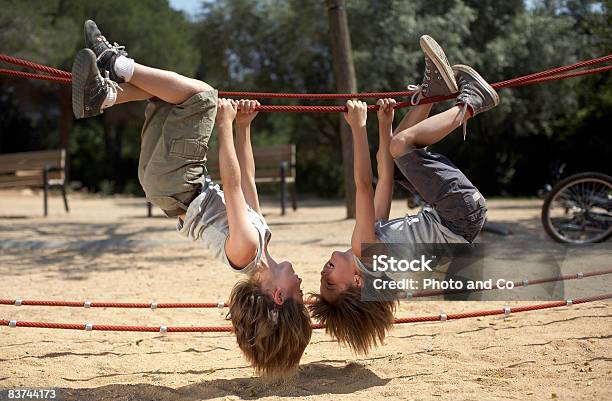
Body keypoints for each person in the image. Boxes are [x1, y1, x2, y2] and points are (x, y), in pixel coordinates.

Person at [72, 20, 311, 376]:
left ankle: (116, 62)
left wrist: (226, 125)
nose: (303, 285)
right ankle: (105, 96)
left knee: (202, 98)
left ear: (278, 295)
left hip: (180, 182)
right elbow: (247, 185)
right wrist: (245, 128)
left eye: (299, 294)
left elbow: (230, 186)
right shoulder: (261, 245)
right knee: (169, 96)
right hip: (165, 184)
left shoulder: (245, 252)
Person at [309, 35, 499, 354]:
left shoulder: (376, 252)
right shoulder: (365, 252)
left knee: (396, 152)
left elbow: (385, 179)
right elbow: (362, 186)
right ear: (357, 283)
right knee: (401, 147)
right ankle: (472, 103)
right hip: (458, 213)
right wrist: (357, 127)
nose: (322, 273)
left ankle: (431, 93)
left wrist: (385, 126)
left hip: (461, 217)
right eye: (329, 283)